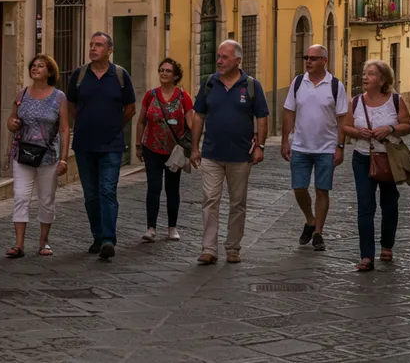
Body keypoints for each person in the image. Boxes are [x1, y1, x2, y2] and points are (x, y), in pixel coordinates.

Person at [190, 40, 269, 265]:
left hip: (240, 156)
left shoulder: (252, 86)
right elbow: (198, 116)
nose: (219, 61)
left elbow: (262, 117)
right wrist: (195, 147)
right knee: (210, 200)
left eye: (224, 57)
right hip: (211, 154)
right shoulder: (208, 83)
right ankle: (209, 249)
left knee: (237, 203)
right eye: (218, 56)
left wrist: (260, 147)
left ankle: (233, 247)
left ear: (237, 60)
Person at [67, 32, 136, 260]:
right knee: (90, 195)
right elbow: (71, 106)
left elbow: (130, 109)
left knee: (107, 191)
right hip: (85, 145)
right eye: (91, 44)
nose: (93, 48)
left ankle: (108, 239)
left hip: (111, 145)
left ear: (109, 50)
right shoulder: (79, 75)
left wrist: (115, 127)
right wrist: (85, 124)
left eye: (98, 45)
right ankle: (97, 235)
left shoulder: (119, 75)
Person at [342, 59, 410, 271]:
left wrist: (390, 129)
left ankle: (387, 245)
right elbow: (346, 127)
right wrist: (358, 132)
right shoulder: (355, 102)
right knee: (365, 206)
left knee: (390, 204)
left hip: (389, 158)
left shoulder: (395, 100)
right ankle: (367, 256)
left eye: (371, 74)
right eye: (364, 73)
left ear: (382, 80)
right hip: (362, 158)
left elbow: (409, 126)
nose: (365, 77)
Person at [281, 45, 349, 252]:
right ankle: (310, 220)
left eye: (313, 58)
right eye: (306, 57)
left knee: (322, 190)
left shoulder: (335, 86)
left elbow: (343, 118)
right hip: (301, 146)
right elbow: (289, 112)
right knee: (299, 188)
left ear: (324, 61)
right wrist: (285, 140)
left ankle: (318, 232)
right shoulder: (298, 82)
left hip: (326, 148)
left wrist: (340, 146)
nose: (308, 61)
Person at [5, 54, 70, 257]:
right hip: (22, 153)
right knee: (21, 197)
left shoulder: (59, 97)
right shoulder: (22, 93)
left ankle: (43, 242)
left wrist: (64, 158)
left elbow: (64, 129)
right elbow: (11, 119)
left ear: (49, 72)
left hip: (47, 156)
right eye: (33, 65)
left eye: (41, 66)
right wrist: (12, 123)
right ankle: (19, 245)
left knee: (46, 199)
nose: (35, 68)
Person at [135, 57, 194, 243]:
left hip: (174, 151)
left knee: (172, 188)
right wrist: (138, 145)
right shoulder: (151, 95)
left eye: (168, 71)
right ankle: (151, 228)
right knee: (153, 187)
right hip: (151, 148)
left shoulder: (184, 97)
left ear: (175, 75)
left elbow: (192, 125)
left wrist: (192, 147)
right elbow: (141, 121)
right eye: (161, 70)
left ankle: (172, 227)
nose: (163, 73)